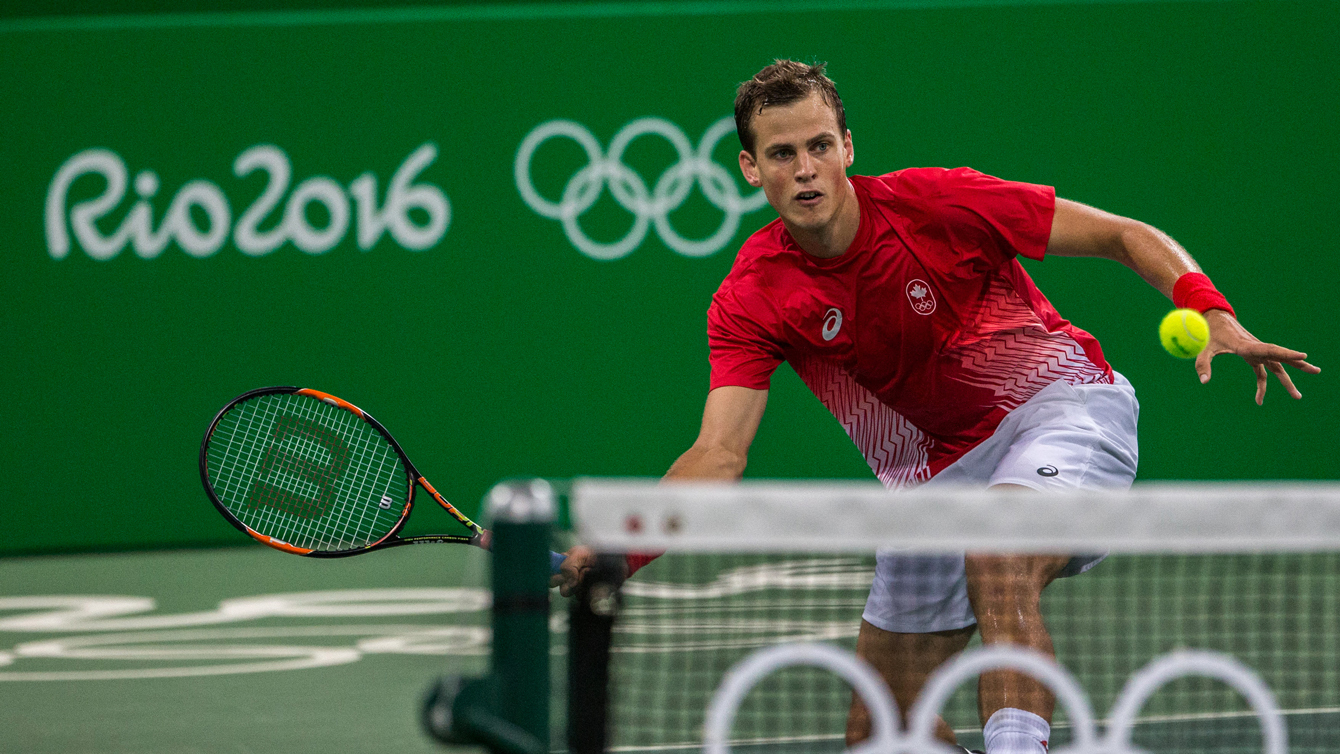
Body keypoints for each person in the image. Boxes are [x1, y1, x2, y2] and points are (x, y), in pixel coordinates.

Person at [555, 60, 1318, 753]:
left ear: (849, 147)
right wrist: (622, 551)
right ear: (752, 169)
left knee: (997, 546)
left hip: (1063, 408)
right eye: (783, 154)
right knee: (880, 732)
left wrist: (1212, 310)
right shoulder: (754, 294)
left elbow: (1122, 236)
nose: (806, 168)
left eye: (820, 145)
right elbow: (717, 454)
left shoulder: (937, 205)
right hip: (935, 482)